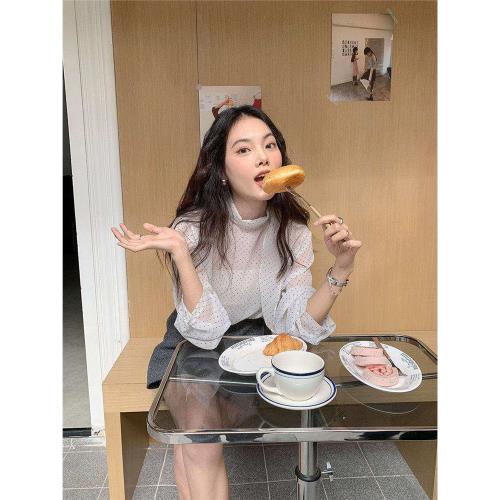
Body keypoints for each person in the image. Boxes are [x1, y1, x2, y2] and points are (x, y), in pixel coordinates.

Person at [111, 105, 362, 500]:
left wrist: (341, 267)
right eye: (244, 149)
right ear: (222, 170)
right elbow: (205, 329)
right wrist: (181, 254)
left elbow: (295, 326)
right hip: (191, 337)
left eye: (269, 146)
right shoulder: (192, 229)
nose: (263, 157)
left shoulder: (293, 233)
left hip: (253, 341)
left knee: (196, 441)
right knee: (202, 439)